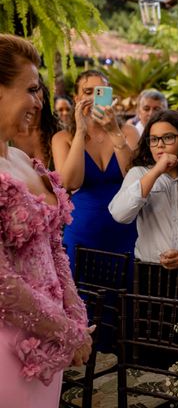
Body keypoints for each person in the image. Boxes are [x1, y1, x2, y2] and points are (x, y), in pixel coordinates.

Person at [0, 34, 92, 407]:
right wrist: (67, 330)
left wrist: (75, 313)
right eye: (31, 89)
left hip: (46, 341)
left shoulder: (22, 160)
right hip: (7, 345)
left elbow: (55, 246)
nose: (39, 102)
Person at [51, 70, 139, 270]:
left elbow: (133, 179)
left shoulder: (128, 132)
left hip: (124, 234)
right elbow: (70, 183)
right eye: (87, 91)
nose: (93, 97)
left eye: (100, 91)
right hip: (82, 236)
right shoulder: (63, 138)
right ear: (77, 98)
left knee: (122, 298)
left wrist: (113, 130)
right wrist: (80, 131)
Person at [109, 110, 178, 268]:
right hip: (150, 269)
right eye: (154, 139)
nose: (160, 144)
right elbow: (120, 214)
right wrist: (156, 171)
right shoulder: (139, 173)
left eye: (168, 137)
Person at [11, 77, 59, 169]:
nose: (31, 98)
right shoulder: (5, 135)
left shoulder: (58, 132)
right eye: (24, 91)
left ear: (43, 91)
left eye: (34, 90)